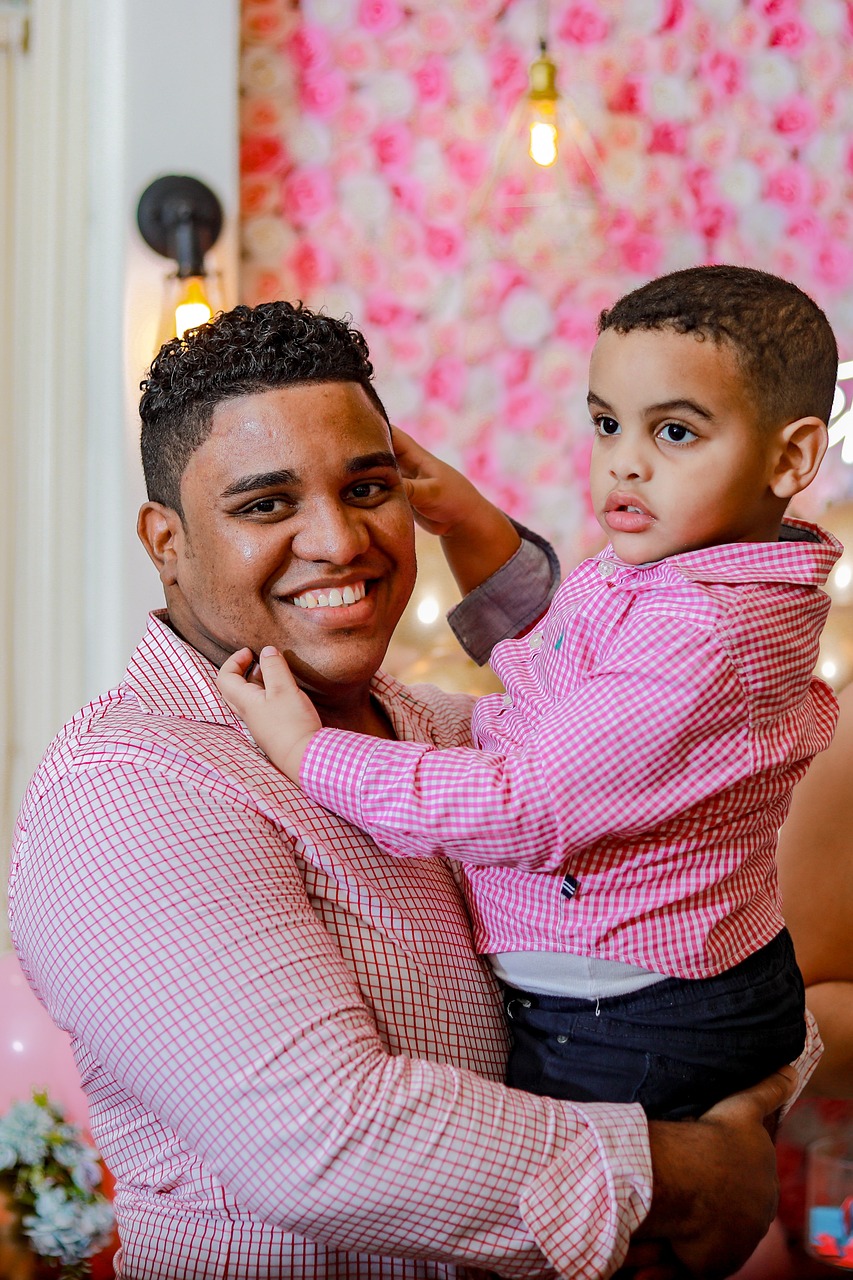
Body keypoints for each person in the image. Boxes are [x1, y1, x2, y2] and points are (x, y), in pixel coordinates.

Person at [9, 299, 799, 1280]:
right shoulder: (128, 787)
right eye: (266, 505)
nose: (340, 541)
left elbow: (673, 857)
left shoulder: (447, 736)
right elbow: (322, 1141)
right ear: (165, 541)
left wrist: (760, 1088)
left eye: (367, 487)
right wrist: (687, 1173)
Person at [218, 266, 839, 1122]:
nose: (624, 462)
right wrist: (469, 522)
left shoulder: (701, 631)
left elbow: (525, 804)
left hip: (632, 1019)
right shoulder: (683, 572)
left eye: (675, 432)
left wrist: (309, 752)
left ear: (790, 457)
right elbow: (561, 655)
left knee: (574, 1194)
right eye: (606, 423)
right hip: (657, 985)